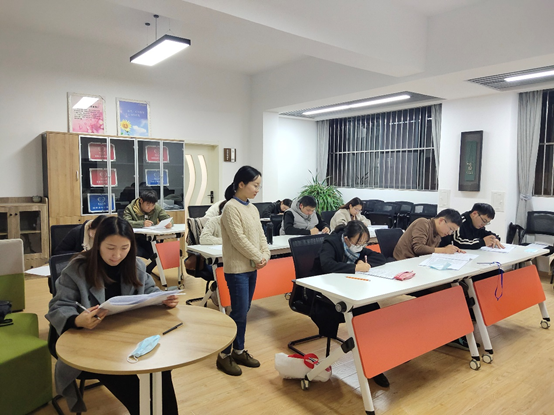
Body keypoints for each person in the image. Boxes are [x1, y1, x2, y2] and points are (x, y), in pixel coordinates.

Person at [45, 216, 179, 414]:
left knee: (161, 369)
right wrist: (76, 319)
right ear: (98, 243)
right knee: (136, 394)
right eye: (110, 248)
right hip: (90, 344)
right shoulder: (77, 269)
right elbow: (58, 306)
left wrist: (162, 298)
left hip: (126, 336)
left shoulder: (135, 265)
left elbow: (150, 290)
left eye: (124, 248)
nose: (117, 255)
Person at [311, 221, 389, 387]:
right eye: (358, 242)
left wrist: (364, 264)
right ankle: (372, 363)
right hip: (324, 295)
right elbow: (327, 265)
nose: (361, 246)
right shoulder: (331, 243)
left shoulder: (357, 249)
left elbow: (380, 258)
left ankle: (378, 358)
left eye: (364, 243)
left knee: (372, 310)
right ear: (346, 239)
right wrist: (355, 268)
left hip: (349, 290)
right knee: (363, 313)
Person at [216, 165, 270, 376]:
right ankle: (223, 355)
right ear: (241, 184)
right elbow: (238, 239)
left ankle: (238, 351)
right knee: (238, 312)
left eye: (259, 186)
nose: (257, 190)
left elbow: (261, 236)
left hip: (251, 268)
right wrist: (258, 257)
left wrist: (265, 254)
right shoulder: (230, 208)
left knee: (243, 310)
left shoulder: (252, 208)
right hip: (237, 269)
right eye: (255, 185)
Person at [123, 189, 173, 272]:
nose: (150, 208)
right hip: (135, 239)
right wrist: (142, 223)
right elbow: (126, 222)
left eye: (153, 205)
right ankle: (139, 273)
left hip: (150, 239)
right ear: (141, 201)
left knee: (159, 254)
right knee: (140, 255)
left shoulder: (156, 208)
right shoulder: (130, 208)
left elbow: (167, 218)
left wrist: (169, 223)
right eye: (148, 205)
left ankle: (147, 272)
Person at [393, 208, 464, 261]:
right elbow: (418, 248)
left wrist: (450, 249)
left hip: (418, 262)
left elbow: (430, 251)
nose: (449, 233)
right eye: (450, 229)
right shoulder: (423, 223)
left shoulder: (438, 233)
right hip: (403, 262)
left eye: (452, 231)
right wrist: (444, 250)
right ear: (441, 221)